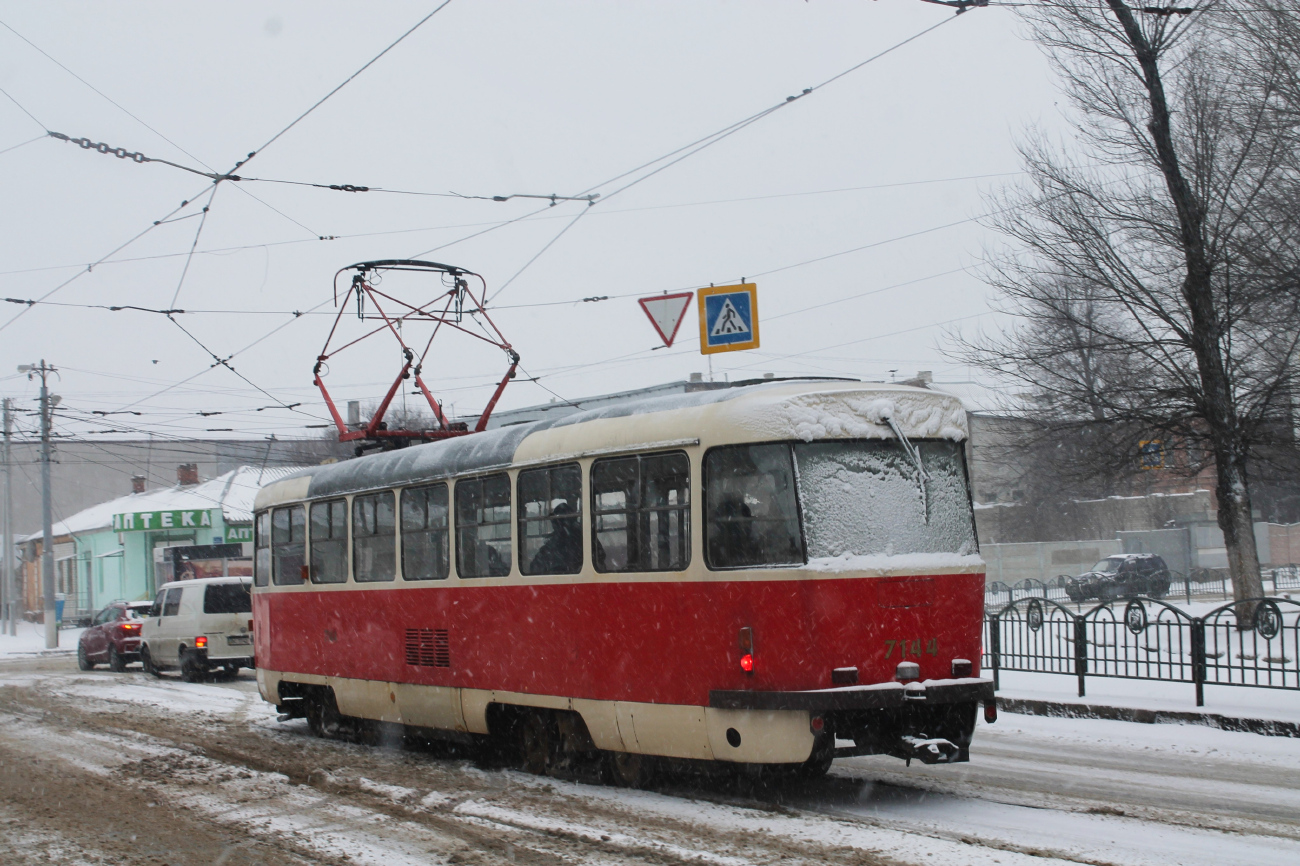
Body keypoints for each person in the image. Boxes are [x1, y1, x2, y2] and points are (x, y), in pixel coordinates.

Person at [529, 502, 582, 574]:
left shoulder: (561, 540)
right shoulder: (580, 535)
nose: (553, 526)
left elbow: (536, 566)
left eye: (554, 522)